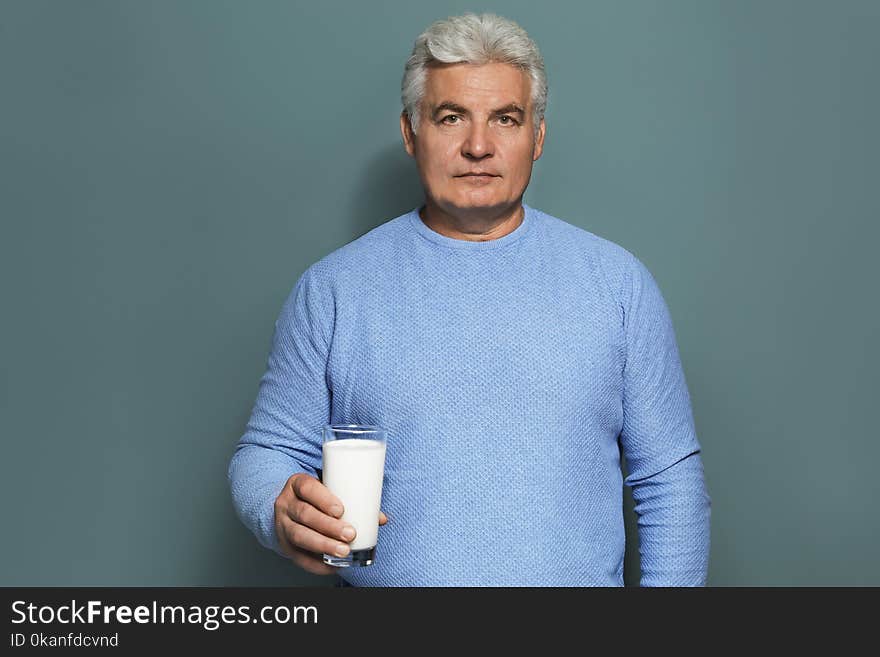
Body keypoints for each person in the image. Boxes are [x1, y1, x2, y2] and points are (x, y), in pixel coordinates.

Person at [228, 12, 711, 587]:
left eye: (505, 119)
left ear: (537, 136)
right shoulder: (334, 291)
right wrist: (277, 510)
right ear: (411, 133)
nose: (478, 146)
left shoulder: (617, 285)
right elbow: (268, 452)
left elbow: (670, 483)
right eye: (451, 117)